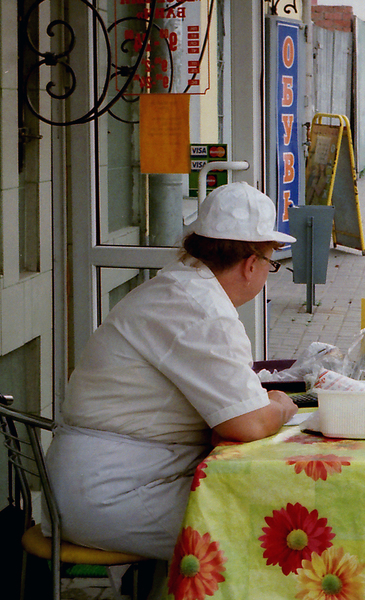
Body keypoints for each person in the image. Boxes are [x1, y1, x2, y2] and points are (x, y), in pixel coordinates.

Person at [44, 182, 300, 561]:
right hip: (114, 494)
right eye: (271, 264)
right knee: (275, 533)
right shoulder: (201, 309)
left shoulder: (180, 290)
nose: (266, 274)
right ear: (251, 265)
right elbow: (245, 423)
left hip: (104, 480)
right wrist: (281, 405)